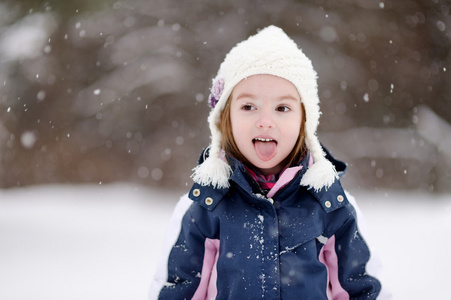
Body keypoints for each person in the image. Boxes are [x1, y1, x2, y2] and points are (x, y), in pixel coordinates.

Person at [149, 25, 384, 299]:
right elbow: (177, 290)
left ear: (304, 122)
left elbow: (363, 290)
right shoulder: (205, 206)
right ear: (226, 119)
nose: (265, 120)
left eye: (282, 108)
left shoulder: (332, 206)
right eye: (249, 107)